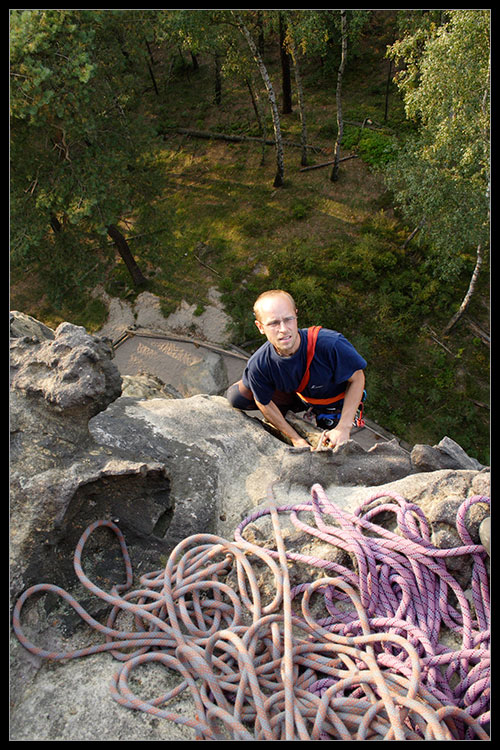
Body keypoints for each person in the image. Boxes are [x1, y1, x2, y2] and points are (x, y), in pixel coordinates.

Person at [226, 289, 367, 449]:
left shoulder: (330, 345)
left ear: (296, 316)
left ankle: (324, 417)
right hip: (298, 396)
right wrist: (295, 438)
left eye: (288, 319)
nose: (283, 329)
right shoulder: (259, 364)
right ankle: (290, 415)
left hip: (331, 400)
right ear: (260, 327)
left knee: (334, 445)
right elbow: (263, 403)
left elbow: (357, 378)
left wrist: (343, 427)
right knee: (238, 396)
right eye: (273, 323)